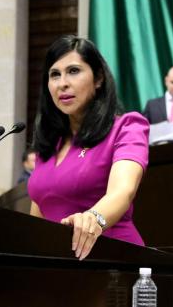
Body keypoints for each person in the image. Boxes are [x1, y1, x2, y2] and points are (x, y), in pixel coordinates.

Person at [27, 35, 149, 261]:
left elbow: (123, 191)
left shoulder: (127, 127)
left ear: (98, 78)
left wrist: (94, 218)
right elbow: (39, 215)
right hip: (56, 269)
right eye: (55, 74)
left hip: (114, 262)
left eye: (73, 71)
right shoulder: (49, 144)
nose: (63, 83)